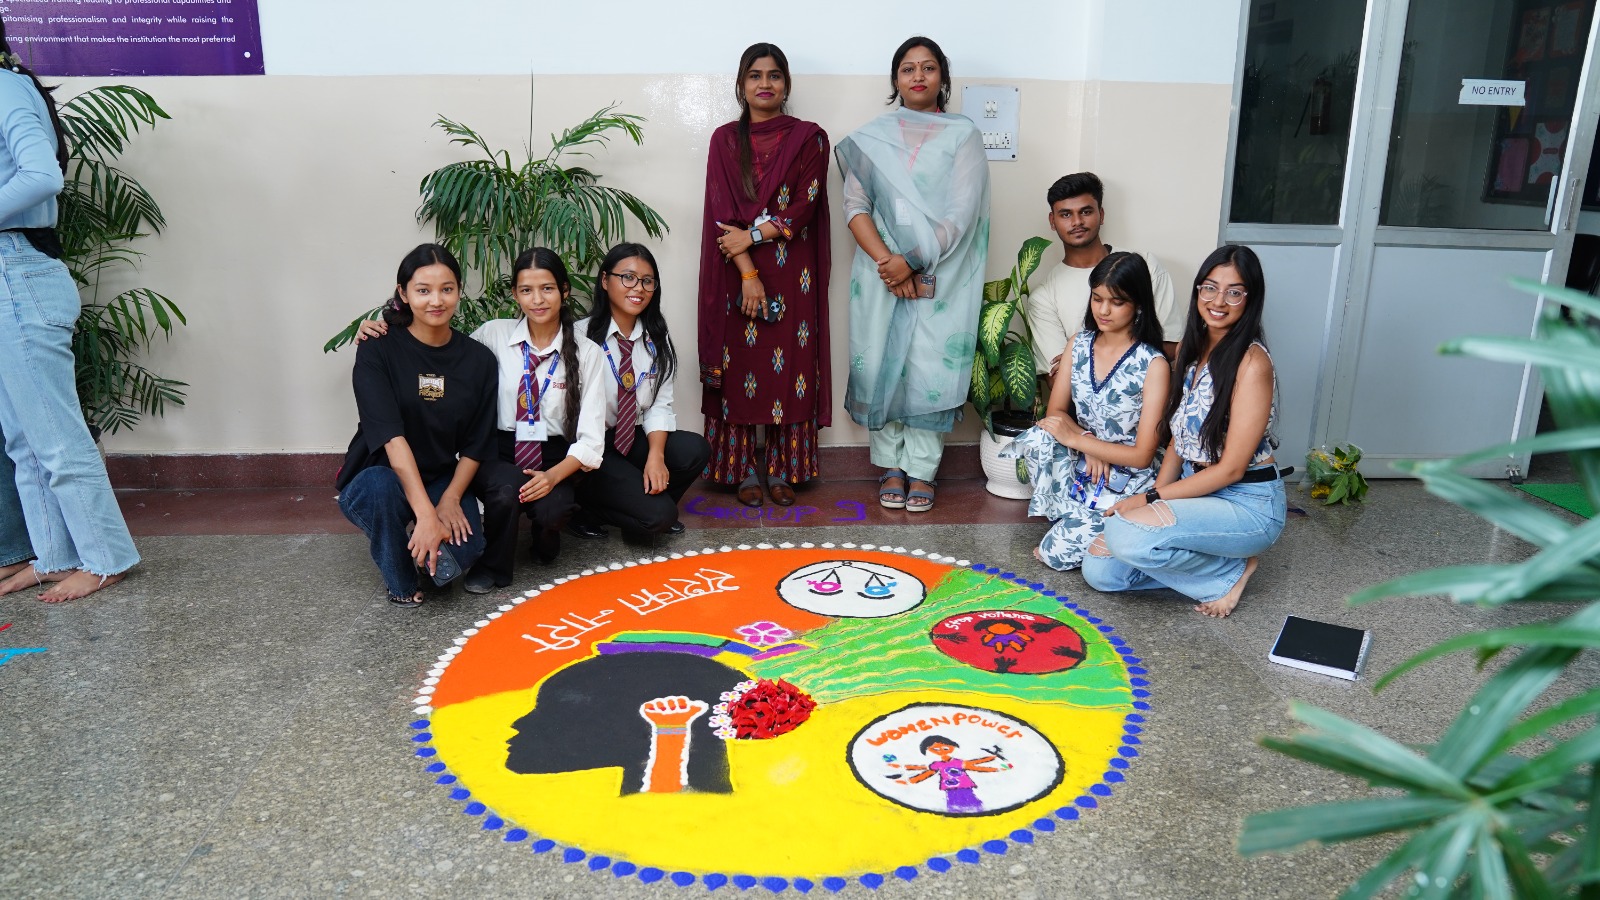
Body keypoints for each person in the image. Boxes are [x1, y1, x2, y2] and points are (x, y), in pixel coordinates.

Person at [0, 26, 140, 603]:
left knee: (55, 436)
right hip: (9, 274)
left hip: (18, 272)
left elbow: (42, 176)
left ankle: (107, 559)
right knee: (23, 439)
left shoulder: (4, 87)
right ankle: (55, 556)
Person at [1082, 245, 1285, 619]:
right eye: (1210, 288)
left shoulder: (1252, 363)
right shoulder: (1193, 352)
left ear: (1250, 299)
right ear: (1198, 290)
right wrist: (1151, 500)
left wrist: (1150, 498)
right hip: (1196, 491)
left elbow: (1230, 470)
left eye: (1234, 292)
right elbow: (1179, 439)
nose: (1218, 301)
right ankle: (1217, 561)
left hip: (1247, 504)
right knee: (1100, 570)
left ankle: (1231, 572)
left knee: (1126, 535)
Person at [836, 36, 989, 513]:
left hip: (942, 268)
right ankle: (890, 466)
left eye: (928, 67)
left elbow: (962, 211)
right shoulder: (872, 138)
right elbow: (855, 206)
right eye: (908, 68)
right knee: (882, 359)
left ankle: (922, 469)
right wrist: (889, 263)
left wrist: (914, 260)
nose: (918, 76)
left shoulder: (963, 135)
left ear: (943, 77)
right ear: (895, 80)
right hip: (879, 270)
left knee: (928, 366)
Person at [699, 42, 833, 509]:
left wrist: (752, 236)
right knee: (739, 365)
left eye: (774, 75)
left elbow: (804, 206)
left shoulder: (810, 138)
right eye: (755, 75)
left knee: (789, 364)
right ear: (741, 85)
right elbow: (723, 216)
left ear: (786, 84)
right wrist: (748, 273)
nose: (765, 84)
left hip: (793, 270)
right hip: (736, 272)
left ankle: (782, 468)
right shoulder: (723, 140)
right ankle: (738, 468)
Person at [336, 243, 496, 607]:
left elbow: (477, 442)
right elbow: (391, 438)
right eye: (423, 290)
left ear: (458, 291)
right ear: (403, 294)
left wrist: (450, 499)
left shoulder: (479, 360)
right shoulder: (377, 347)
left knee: (461, 555)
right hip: (381, 473)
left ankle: (420, 547)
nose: (436, 300)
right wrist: (426, 517)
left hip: (439, 474)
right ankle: (401, 582)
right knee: (379, 491)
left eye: (447, 289)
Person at [1001, 252, 1170, 570]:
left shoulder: (1153, 364)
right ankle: (1071, 515)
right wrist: (1089, 442)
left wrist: (1081, 441)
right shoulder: (1078, 344)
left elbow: (1142, 456)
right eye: (1097, 298)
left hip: (1129, 477)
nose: (1103, 310)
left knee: (1054, 555)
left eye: (1117, 302)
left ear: (1138, 304)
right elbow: (1055, 413)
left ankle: (1102, 523)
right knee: (1039, 436)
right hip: (1086, 462)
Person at [571, 243, 711, 539]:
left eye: (647, 281)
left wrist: (655, 456)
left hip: (629, 437)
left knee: (694, 449)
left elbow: (659, 405)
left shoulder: (656, 338)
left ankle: (643, 509)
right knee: (657, 519)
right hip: (592, 445)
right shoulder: (579, 337)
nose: (639, 288)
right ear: (605, 280)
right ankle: (587, 510)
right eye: (628, 277)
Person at [1026, 172, 1184, 371]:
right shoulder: (1044, 297)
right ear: (1052, 221)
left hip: (1150, 389)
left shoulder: (1146, 266)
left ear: (1101, 215)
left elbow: (1170, 346)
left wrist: (1080, 357)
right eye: (1065, 214)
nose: (1077, 222)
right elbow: (1057, 377)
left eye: (1086, 212)